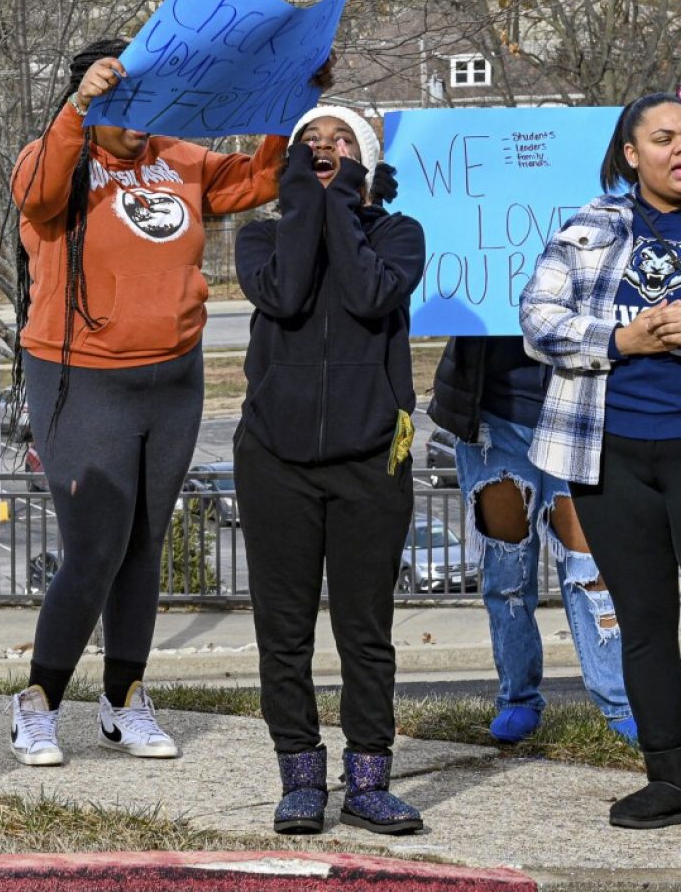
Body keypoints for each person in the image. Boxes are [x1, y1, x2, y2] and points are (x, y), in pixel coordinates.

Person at [8, 38, 296, 766]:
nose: (140, 121)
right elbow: (34, 195)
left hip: (171, 381)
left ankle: (125, 698)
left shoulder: (183, 160)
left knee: (143, 544)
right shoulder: (57, 160)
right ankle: (38, 702)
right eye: (123, 104)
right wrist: (77, 108)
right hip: (81, 377)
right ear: (91, 103)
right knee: (95, 547)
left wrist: (290, 93)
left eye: (150, 104)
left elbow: (264, 177)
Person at [232, 105, 425, 835]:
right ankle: (301, 778)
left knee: (363, 629)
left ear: (368, 163)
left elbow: (370, 292)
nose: (324, 150)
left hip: (369, 460)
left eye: (341, 141)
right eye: (310, 143)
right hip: (274, 461)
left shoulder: (398, 235)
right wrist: (308, 203)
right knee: (284, 630)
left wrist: (343, 197)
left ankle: (369, 779)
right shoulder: (261, 239)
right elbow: (282, 294)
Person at [520, 92, 681, 829]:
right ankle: (669, 776)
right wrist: (624, 340)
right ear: (630, 152)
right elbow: (539, 320)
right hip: (610, 456)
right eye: (664, 138)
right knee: (645, 621)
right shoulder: (591, 226)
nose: (678, 150)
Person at [428, 338, 635, 744]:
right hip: (494, 410)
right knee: (507, 569)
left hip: (580, 404)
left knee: (590, 568)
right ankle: (517, 697)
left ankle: (620, 702)